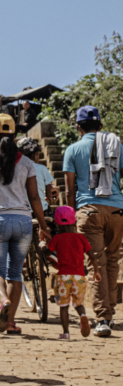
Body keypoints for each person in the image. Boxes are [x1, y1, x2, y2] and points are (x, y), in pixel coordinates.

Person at [0, 113, 51, 335]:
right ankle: (10, 322)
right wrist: (44, 226)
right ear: (15, 137)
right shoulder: (27, 163)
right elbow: (34, 197)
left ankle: (3, 300)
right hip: (22, 223)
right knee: (15, 273)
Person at [63, 105, 123, 337]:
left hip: (88, 211)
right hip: (116, 210)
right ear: (101, 126)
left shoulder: (73, 149)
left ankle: (102, 318)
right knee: (113, 261)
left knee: (95, 263)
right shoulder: (117, 146)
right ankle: (109, 312)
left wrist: (70, 219)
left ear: (79, 127)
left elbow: (70, 190)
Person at [42, 206, 101, 340]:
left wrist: (42, 246)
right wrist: (96, 272)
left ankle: (66, 333)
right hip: (79, 277)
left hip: (63, 277)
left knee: (64, 306)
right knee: (78, 304)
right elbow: (92, 256)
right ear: (74, 223)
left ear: (57, 225)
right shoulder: (81, 238)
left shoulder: (57, 238)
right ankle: (82, 315)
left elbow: (48, 253)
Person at [18, 137, 59, 211]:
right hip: (41, 209)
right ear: (35, 154)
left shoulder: (16, 169)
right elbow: (49, 193)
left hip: (22, 211)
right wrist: (50, 196)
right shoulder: (42, 168)